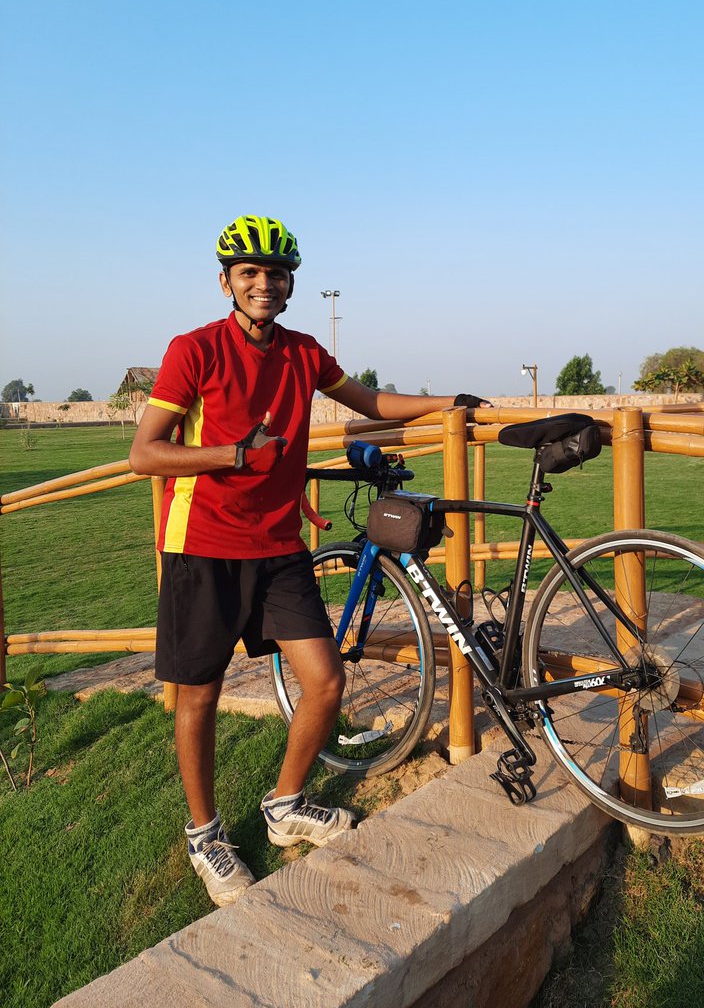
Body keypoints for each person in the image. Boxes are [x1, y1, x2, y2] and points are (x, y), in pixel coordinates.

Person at [129, 215, 488, 907]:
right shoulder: (193, 350)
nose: (265, 284)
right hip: (202, 545)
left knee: (325, 681)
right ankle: (205, 833)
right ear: (227, 281)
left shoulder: (303, 352)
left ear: (291, 281)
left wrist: (450, 401)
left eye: (276, 273)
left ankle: (284, 803)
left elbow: (370, 402)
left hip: (279, 549)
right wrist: (234, 455)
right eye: (250, 273)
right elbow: (145, 453)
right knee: (198, 695)